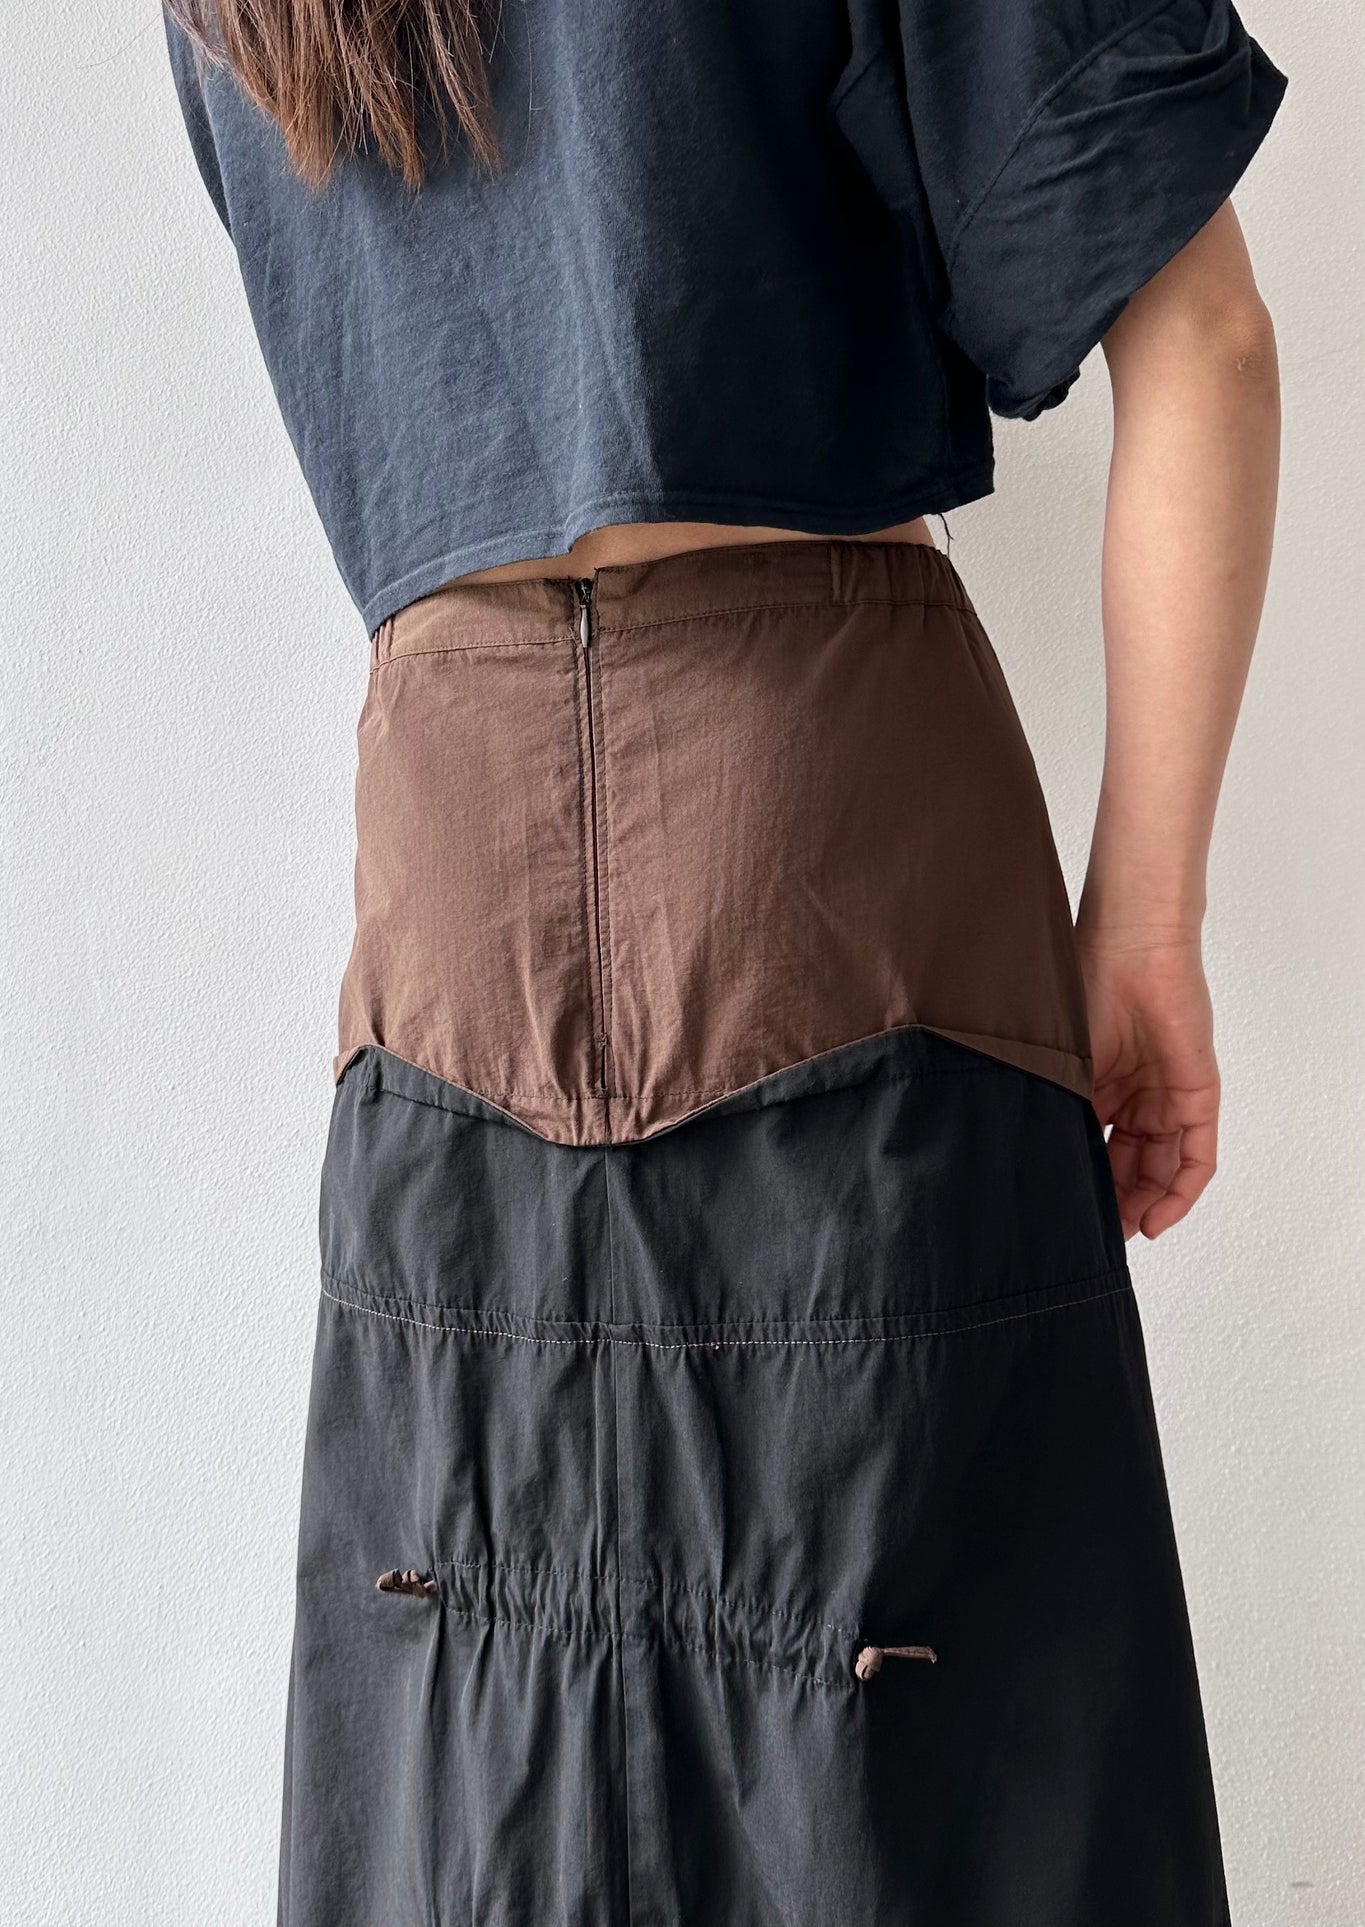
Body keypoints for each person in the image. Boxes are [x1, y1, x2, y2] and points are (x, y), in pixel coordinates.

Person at [161, 1, 1286, 1920]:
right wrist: (1147, 923)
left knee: (473, 1792)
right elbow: (1201, 336)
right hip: (837, 861)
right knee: (938, 1781)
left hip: (448, 900)